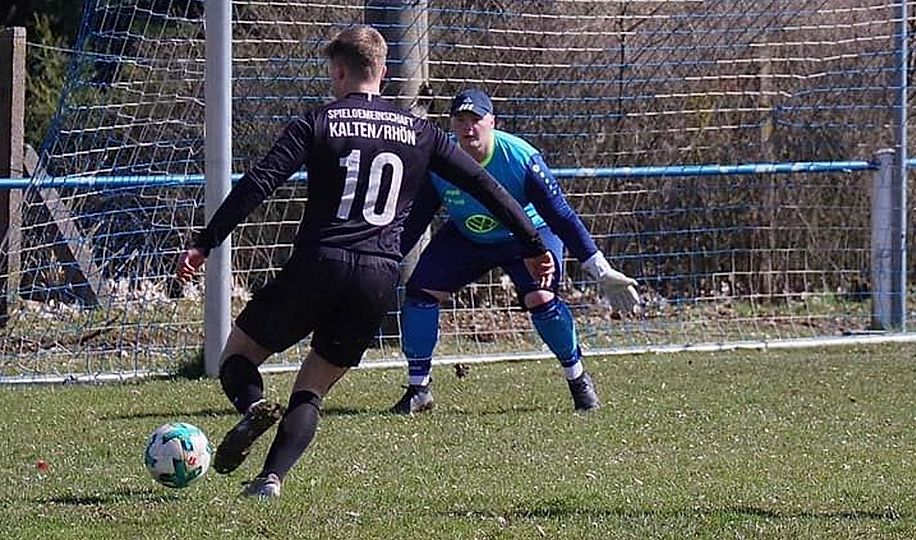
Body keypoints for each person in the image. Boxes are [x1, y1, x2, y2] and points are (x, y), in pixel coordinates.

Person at [175, 27, 554, 499]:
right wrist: (534, 244)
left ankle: (253, 408)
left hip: (318, 263)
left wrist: (206, 241)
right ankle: (270, 480)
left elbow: (259, 183)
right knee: (313, 386)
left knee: (238, 357)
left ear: (338, 71)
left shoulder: (318, 121)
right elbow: (487, 187)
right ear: (385, 72)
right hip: (378, 276)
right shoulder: (422, 132)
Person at [390, 89, 640, 416]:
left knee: (541, 300)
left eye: (476, 120)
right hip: (468, 235)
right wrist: (379, 264)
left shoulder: (520, 158)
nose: (468, 128)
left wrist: (600, 270)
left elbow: (562, 216)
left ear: (492, 121)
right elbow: (415, 221)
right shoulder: (440, 161)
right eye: (460, 120)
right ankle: (418, 389)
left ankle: (578, 379)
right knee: (420, 293)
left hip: (530, 239)